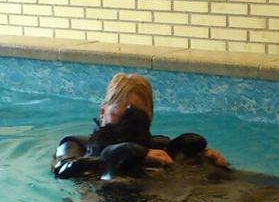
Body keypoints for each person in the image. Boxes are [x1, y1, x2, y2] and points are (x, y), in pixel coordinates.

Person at [52, 73, 227, 179]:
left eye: (139, 116)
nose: (128, 123)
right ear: (102, 111)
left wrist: (205, 156)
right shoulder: (75, 144)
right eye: (118, 115)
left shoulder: (158, 146)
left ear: (150, 116)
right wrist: (134, 154)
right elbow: (63, 170)